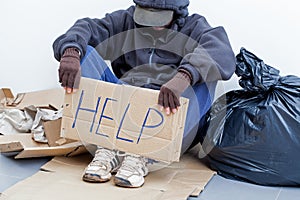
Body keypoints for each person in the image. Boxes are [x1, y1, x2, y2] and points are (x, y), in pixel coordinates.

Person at [53, 0, 236, 188]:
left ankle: (144, 155)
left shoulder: (194, 26)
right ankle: (108, 146)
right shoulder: (126, 20)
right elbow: (88, 27)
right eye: (147, 15)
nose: (154, 23)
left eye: (160, 17)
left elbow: (222, 52)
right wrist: (70, 51)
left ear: (177, 12)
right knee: (84, 53)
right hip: (124, 109)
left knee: (208, 72)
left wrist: (184, 76)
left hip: (167, 111)